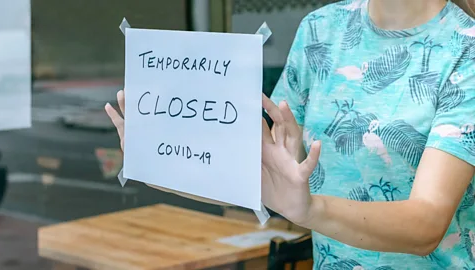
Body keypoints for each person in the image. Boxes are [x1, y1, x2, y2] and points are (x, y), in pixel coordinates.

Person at [106, 0, 475, 268]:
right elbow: (257, 174)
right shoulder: (321, 29)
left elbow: (426, 224)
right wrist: (157, 159)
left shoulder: (466, 48)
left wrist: (311, 209)